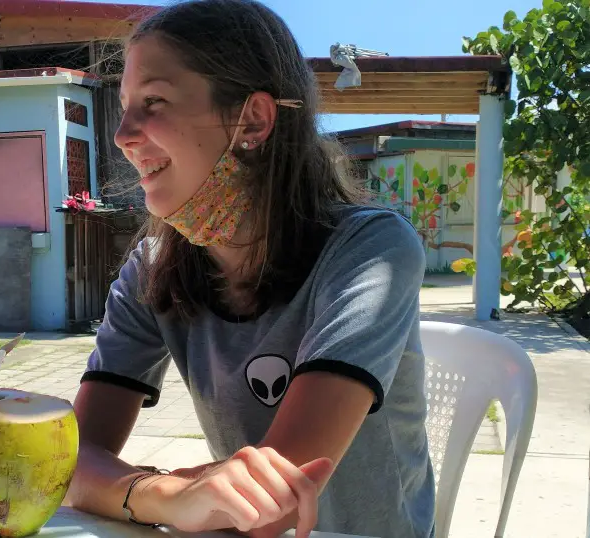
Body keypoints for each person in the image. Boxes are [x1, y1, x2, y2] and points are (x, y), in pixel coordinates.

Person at [62, 1, 436, 537]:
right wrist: (161, 492)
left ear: (253, 120)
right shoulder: (153, 269)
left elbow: (275, 505)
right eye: (125, 107)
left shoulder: (371, 249)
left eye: (154, 101)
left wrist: (144, 492)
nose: (122, 135)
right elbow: (67, 460)